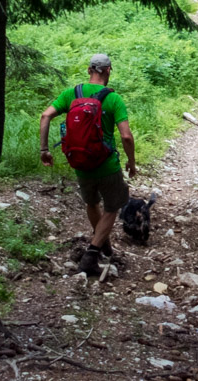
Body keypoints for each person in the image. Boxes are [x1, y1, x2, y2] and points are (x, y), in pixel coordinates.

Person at [40, 53, 138, 276]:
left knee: (92, 203)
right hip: (107, 165)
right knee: (112, 207)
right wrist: (131, 163)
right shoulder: (113, 99)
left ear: (88, 70)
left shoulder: (71, 94)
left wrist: (44, 150)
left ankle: (103, 243)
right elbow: (126, 137)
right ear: (108, 71)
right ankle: (92, 253)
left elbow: (45, 116)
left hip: (80, 162)